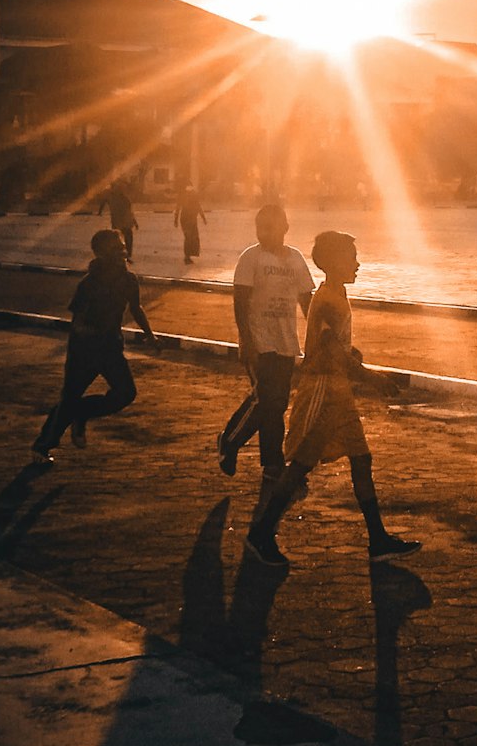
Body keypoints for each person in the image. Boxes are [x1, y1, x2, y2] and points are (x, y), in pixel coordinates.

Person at [245, 230, 420, 569]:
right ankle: (262, 533)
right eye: (352, 258)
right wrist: (371, 377)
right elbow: (329, 352)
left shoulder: (333, 294)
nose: (357, 264)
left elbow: (336, 347)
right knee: (299, 467)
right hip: (323, 392)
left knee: (360, 460)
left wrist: (354, 358)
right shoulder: (327, 300)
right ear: (335, 262)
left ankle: (378, 539)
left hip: (337, 391)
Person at [216, 207, 315, 518]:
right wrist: (245, 341)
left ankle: (267, 461)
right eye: (260, 227)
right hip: (260, 342)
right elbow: (240, 301)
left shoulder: (295, 258)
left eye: (271, 227)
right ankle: (236, 445)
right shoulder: (251, 258)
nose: (265, 233)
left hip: (286, 342)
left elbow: (307, 301)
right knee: (268, 401)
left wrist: (316, 338)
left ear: (285, 226)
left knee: (275, 403)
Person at [31, 228, 159, 462]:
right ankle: (43, 445)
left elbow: (136, 308)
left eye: (122, 248)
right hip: (84, 350)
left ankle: (82, 412)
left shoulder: (129, 280)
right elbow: (77, 322)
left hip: (110, 348)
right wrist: (91, 333)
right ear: (101, 254)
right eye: (116, 249)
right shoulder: (89, 284)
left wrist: (150, 336)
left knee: (125, 393)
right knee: (69, 398)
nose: (122, 254)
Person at [99, 178, 138, 260]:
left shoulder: (113, 197)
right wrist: (134, 221)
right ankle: (125, 255)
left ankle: (123, 255)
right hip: (123, 223)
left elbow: (129, 211)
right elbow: (129, 211)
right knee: (125, 239)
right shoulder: (120, 198)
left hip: (120, 223)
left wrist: (100, 211)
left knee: (120, 239)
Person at [173, 184, 207, 264]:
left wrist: (176, 220)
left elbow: (178, 208)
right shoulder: (189, 196)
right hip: (188, 220)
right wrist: (203, 218)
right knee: (189, 238)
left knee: (191, 238)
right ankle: (187, 257)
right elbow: (198, 207)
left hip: (189, 220)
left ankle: (188, 256)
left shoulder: (185, 196)